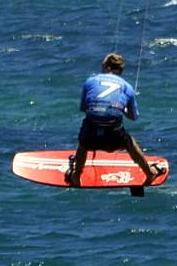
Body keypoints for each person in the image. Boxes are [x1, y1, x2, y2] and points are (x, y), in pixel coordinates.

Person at [67, 52, 162, 187]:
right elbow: (134, 117)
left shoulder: (90, 81)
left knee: (83, 142)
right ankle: (149, 173)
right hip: (113, 138)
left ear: (107, 67)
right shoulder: (127, 87)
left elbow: (83, 108)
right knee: (130, 143)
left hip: (90, 137)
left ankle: (76, 176)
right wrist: (120, 108)